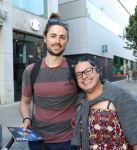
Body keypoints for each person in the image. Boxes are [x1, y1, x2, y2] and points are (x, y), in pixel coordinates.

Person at [20, 12, 78, 150]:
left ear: (67, 40)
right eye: (53, 36)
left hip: (68, 141)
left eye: (62, 37)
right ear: (45, 38)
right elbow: (25, 102)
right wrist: (27, 119)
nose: (57, 41)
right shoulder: (31, 70)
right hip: (37, 140)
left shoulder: (75, 69)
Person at [71, 57, 137, 150]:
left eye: (88, 71)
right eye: (79, 75)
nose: (84, 76)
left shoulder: (119, 95)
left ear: (97, 71)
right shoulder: (80, 102)